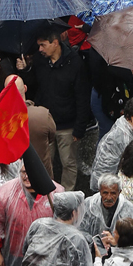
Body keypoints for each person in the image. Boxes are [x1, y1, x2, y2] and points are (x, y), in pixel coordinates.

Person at [22, 26, 90, 190]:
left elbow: (82, 95)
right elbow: (33, 84)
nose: (40, 49)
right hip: (45, 123)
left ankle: (66, 197)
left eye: (43, 45)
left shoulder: (75, 62)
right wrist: (25, 69)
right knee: (43, 162)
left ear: (55, 43)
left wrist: (79, 127)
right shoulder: (39, 60)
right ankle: (47, 195)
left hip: (67, 124)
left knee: (69, 163)